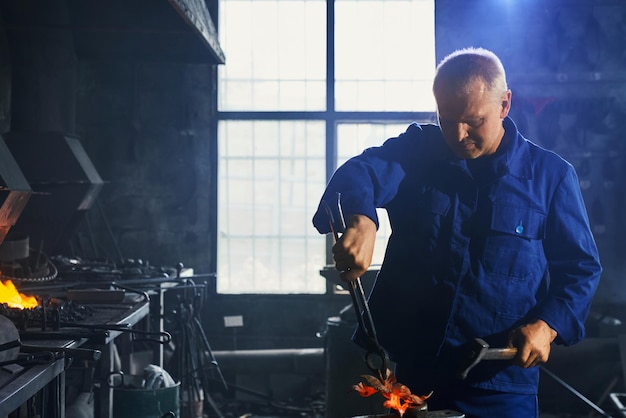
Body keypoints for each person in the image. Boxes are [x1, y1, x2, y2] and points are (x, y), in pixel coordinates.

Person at [312, 47, 602, 418]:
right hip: (414, 380)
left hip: (499, 385)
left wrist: (547, 326)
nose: (458, 134)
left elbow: (580, 270)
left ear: (504, 104)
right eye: (447, 120)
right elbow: (359, 172)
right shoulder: (418, 154)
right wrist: (362, 219)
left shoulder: (551, 178)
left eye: (473, 121)